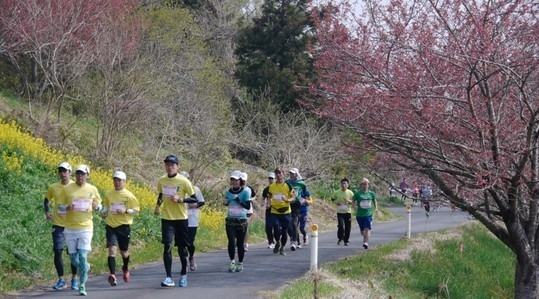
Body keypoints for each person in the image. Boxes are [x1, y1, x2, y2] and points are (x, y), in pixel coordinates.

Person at [57, 164, 102, 296]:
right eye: (78, 173)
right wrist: (67, 208)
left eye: (83, 174)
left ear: (87, 175)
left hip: (86, 228)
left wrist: (96, 206)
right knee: (74, 259)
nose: (80, 176)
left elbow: (100, 207)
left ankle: (82, 286)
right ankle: (85, 267)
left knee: (82, 256)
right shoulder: (67, 189)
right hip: (70, 228)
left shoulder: (92, 189)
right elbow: (59, 207)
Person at [153, 155, 198, 288]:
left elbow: (194, 199)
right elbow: (161, 194)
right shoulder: (162, 180)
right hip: (167, 218)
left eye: (172, 165)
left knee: (182, 249)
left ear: (177, 167)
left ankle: (183, 274)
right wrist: (157, 206)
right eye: (167, 164)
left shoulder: (184, 181)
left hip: (181, 219)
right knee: (167, 245)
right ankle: (168, 277)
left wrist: (181, 200)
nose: (170, 167)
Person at [101, 171, 140, 286]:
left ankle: (125, 268)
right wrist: (104, 212)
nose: (117, 182)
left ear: (124, 182)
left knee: (124, 252)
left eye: (119, 180)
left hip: (123, 226)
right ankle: (112, 275)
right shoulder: (109, 193)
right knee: (112, 250)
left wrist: (126, 211)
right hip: (111, 225)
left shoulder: (129, 196)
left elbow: (136, 210)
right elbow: (107, 206)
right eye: (115, 180)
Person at [44, 162, 78, 291]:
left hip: (72, 225)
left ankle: (74, 278)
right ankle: (61, 279)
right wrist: (47, 212)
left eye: (65, 171)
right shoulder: (53, 187)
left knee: (72, 253)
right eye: (60, 171)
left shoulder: (76, 186)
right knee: (57, 251)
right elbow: (46, 200)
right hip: (58, 224)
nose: (62, 173)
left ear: (70, 172)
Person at [223, 170, 252, 272]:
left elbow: (248, 206)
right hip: (230, 220)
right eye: (232, 180)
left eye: (236, 180)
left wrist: (238, 200)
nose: (234, 182)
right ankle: (232, 261)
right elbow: (226, 202)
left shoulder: (245, 192)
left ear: (240, 181)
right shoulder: (227, 191)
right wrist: (225, 202)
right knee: (231, 241)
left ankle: (240, 262)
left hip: (241, 221)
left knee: (240, 244)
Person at [180, 171, 205, 272]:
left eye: (186, 179)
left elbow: (202, 202)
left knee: (190, 242)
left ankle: (191, 257)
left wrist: (195, 205)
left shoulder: (195, 189)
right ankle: (184, 260)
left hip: (192, 218)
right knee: (182, 242)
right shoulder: (178, 190)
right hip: (181, 218)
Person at [268, 168, 295, 255]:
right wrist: (268, 203)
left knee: (284, 231)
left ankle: (282, 247)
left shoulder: (288, 186)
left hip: (285, 211)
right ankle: (277, 242)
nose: (278, 175)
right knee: (275, 226)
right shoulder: (271, 186)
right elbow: (269, 196)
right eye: (276, 173)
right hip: (275, 211)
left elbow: (294, 197)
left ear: (283, 174)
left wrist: (288, 200)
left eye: (280, 173)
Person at [286, 168, 311, 249]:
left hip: (297, 206)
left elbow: (307, 194)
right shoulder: (287, 182)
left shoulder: (301, 183)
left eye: (293, 174)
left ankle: (295, 241)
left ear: (296, 174)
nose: (291, 175)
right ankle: (296, 240)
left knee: (295, 225)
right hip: (288, 204)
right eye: (290, 173)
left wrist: (306, 201)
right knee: (289, 226)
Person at [352, 178, 378, 250]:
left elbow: (374, 201)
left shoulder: (371, 193)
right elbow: (353, 200)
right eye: (363, 184)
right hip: (360, 214)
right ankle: (366, 237)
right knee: (362, 231)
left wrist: (376, 208)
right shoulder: (358, 193)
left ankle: (366, 242)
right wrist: (354, 206)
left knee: (367, 228)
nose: (364, 186)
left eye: (366, 184)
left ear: (368, 185)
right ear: (361, 185)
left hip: (368, 214)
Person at [331, 178, 354, 246]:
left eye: (345, 184)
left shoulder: (350, 193)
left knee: (348, 227)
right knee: (341, 226)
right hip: (340, 212)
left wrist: (349, 201)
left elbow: (354, 202)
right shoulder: (337, 192)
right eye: (342, 183)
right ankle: (340, 238)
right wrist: (336, 202)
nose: (343, 185)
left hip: (348, 212)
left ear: (347, 185)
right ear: (340, 184)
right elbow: (332, 199)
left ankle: (346, 240)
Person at [240, 172, 256, 251]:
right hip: (239, 211)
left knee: (245, 227)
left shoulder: (249, 188)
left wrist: (250, 200)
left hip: (248, 211)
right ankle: (239, 242)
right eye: (241, 180)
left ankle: (245, 243)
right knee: (239, 228)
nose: (243, 182)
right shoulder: (237, 188)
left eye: (244, 180)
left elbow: (254, 196)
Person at [262, 172, 276, 249]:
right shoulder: (266, 189)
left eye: (272, 178)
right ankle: (270, 242)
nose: (270, 180)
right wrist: (263, 203)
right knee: (268, 227)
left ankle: (277, 239)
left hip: (277, 210)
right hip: (269, 210)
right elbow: (263, 198)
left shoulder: (278, 188)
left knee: (277, 226)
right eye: (269, 178)